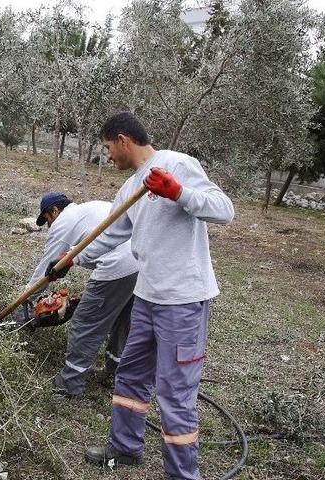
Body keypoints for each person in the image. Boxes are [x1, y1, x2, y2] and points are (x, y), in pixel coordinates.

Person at [46, 111, 234, 479]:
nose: (108, 156)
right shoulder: (129, 187)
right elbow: (110, 232)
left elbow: (224, 210)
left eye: (107, 148)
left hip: (182, 301)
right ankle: (125, 447)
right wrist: (71, 260)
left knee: (175, 392)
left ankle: (181, 475)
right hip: (147, 297)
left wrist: (179, 193)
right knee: (130, 376)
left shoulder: (177, 164)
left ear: (122, 140)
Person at [27, 192, 139, 397]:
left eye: (48, 220)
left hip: (118, 265)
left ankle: (69, 383)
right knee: (122, 321)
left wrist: (26, 298)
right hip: (141, 262)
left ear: (55, 211)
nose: (49, 226)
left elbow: (45, 269)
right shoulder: (90, 208)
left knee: (85, 323)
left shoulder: (62, 223)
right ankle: (114, 374)